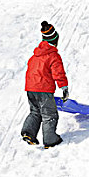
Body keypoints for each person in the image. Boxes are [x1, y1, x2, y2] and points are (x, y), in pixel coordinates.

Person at [21, 21, 69, 149]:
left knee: (35, 112)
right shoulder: (53, 56)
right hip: (44, 90)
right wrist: (64, 87)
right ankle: (50, 140)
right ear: (55, 41)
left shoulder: (34, 56)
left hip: (30, 88)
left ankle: (28, 132)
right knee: (49, 114)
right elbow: (58, 73)